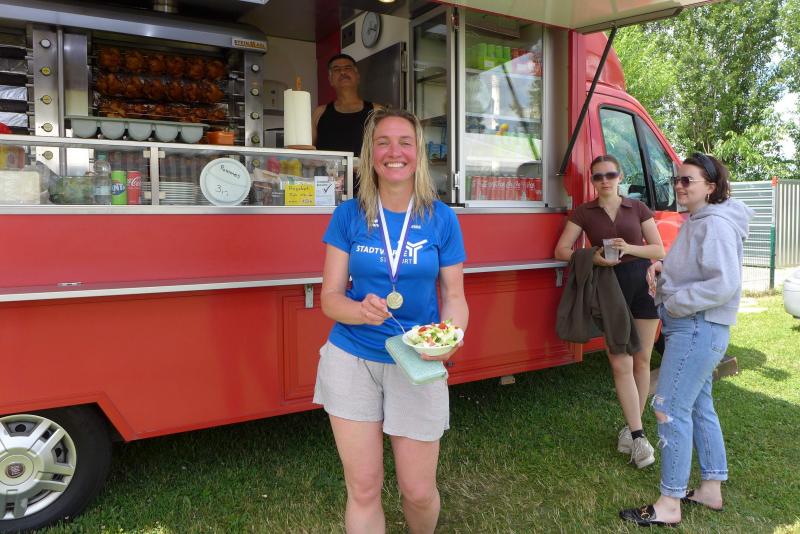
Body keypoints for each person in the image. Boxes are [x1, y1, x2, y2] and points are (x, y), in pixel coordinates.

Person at [315, 107, 469, 534]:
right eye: (383, 142)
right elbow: (330, 299)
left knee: (417, 491)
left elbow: (455, 297)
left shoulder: (441, 218)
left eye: (405, 142)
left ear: (419, 153)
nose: (394, 152)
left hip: (416, 360)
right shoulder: (348, 215)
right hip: (352, 358)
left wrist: (450, 337)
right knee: (364, 489)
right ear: (371, 154)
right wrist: (359, 310)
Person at [620, 153, 753, 527]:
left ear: (711, 186)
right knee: (697, 405)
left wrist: (675, 303)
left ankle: (669, 503)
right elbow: (699, 269)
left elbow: (723, 284)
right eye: (676, 180)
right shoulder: (700, 219)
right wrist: (664, 269)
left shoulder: (715, 225)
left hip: (696, 327)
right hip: (697, 327)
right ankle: (711, 488)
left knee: (668, 408)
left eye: (687, 180)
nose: (678, 186)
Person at [554, 155, 665, 468]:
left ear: (620, 176)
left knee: (641, 360)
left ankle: (632, 429)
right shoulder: (584, 211)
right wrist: (592, 257)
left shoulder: (637, 208)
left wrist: (629, 248)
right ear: (592, 180)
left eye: (610, 174)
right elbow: (561, 250)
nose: (604, 180)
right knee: (620, 361)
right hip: (608, 288)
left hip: (642, 284)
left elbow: (658, 249)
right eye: (598, 176)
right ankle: (639, 436)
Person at [312, 54, 382, 197]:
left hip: (369, 191)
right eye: (336, 69)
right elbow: (308, 153)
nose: (343, 72)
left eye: (348, 68)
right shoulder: (320, 113)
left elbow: (386, 151)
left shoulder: (377, 111)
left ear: (357, 76)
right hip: (328, 193)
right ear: (330, 80)